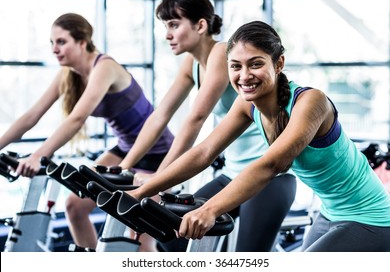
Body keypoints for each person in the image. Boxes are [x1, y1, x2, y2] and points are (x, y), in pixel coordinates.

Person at [128, 20, 390, 251]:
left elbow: (271, 164)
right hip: (330, 213)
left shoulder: (311, 102)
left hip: (370, 217)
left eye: (255, 64)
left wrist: (210, 209)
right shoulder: (247, 104)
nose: (244, 76)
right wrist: (141, 191)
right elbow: (204, 152)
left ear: (279, 64)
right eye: (235, 66)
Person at [120, 0, 296, 252]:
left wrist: (160, 178)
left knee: (248, 256)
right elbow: (160, 115)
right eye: (165, 26)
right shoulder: (191, 63)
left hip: (267, 178)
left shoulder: (221, 53)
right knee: (171, 236)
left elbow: (196, 118)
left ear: (201, 26)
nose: (167, 34)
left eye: (174, 25)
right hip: (231, 174)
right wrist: (126, 167)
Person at [0, 13, 174, 250]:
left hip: (158, 154)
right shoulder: (68, 74)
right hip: (125, 149)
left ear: (82, 42)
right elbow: (32, 116)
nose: (54, 49)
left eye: (61, 42)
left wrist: (39, 156)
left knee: (140, 238)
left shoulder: (105, 67)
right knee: (74, 205)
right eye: (52, 43)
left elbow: (77, 118)